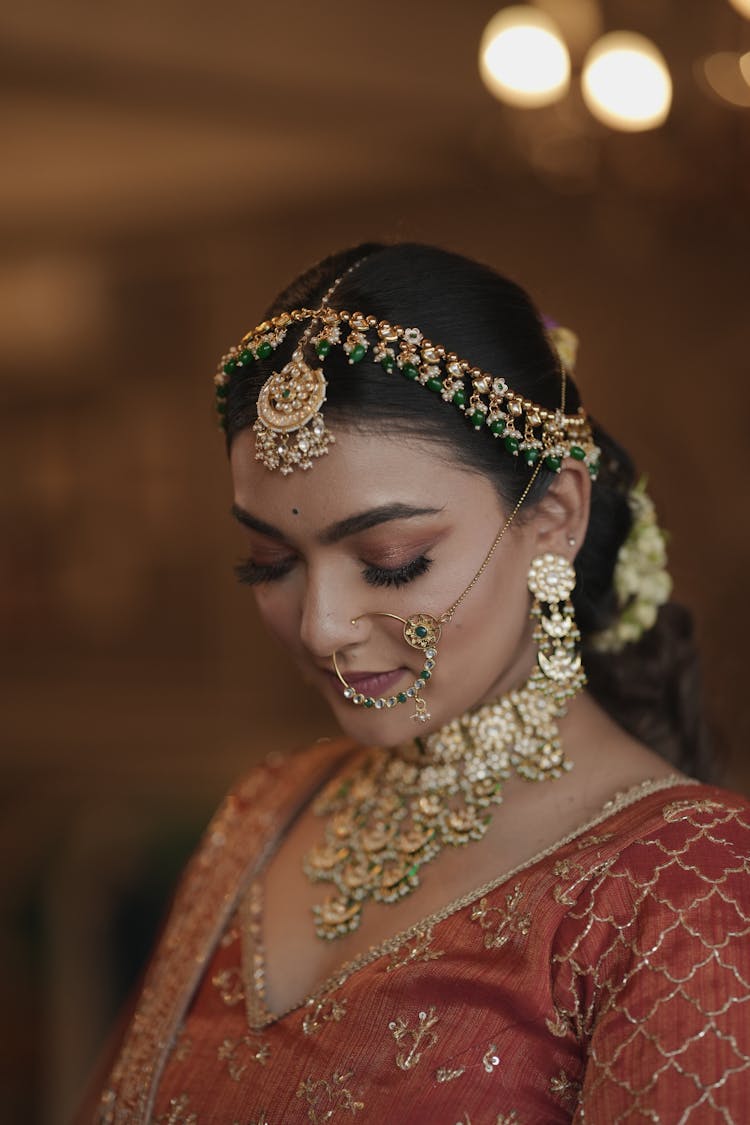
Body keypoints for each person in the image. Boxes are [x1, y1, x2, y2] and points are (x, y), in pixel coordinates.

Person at [81, 244, 750, 1123]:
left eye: (392, 563)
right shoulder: (264, 811)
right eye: (270, 562)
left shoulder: (687, 884)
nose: (323, 626)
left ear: (553, 517)